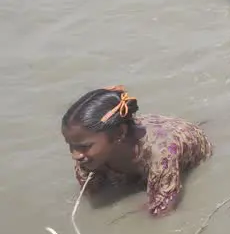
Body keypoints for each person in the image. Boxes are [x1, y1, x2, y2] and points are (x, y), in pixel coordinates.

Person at [60, 86, 213, 217]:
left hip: (183, 141)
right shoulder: (87, 155)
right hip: (137, 136)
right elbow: (91, 193)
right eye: (70, 145)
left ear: (119, 133)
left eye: (84, 147)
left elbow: (162, 211)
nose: (75, 155)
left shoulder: (160, 154)